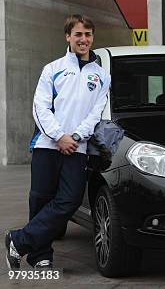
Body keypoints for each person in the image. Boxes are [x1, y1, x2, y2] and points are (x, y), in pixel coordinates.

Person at [5, 15, 111, 269]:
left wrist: (74, 137)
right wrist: (58, 136)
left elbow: (95, 113)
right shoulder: (52, 69)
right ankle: (40, 255)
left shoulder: (101, 76)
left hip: (77, 147)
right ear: (68, 37)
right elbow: (40, 108)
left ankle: (18, 241)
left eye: (87, 34)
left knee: (71, 200)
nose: (83, 39)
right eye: (78, 34)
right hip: (47, 145)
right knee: (41, 199)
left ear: (92, 37)